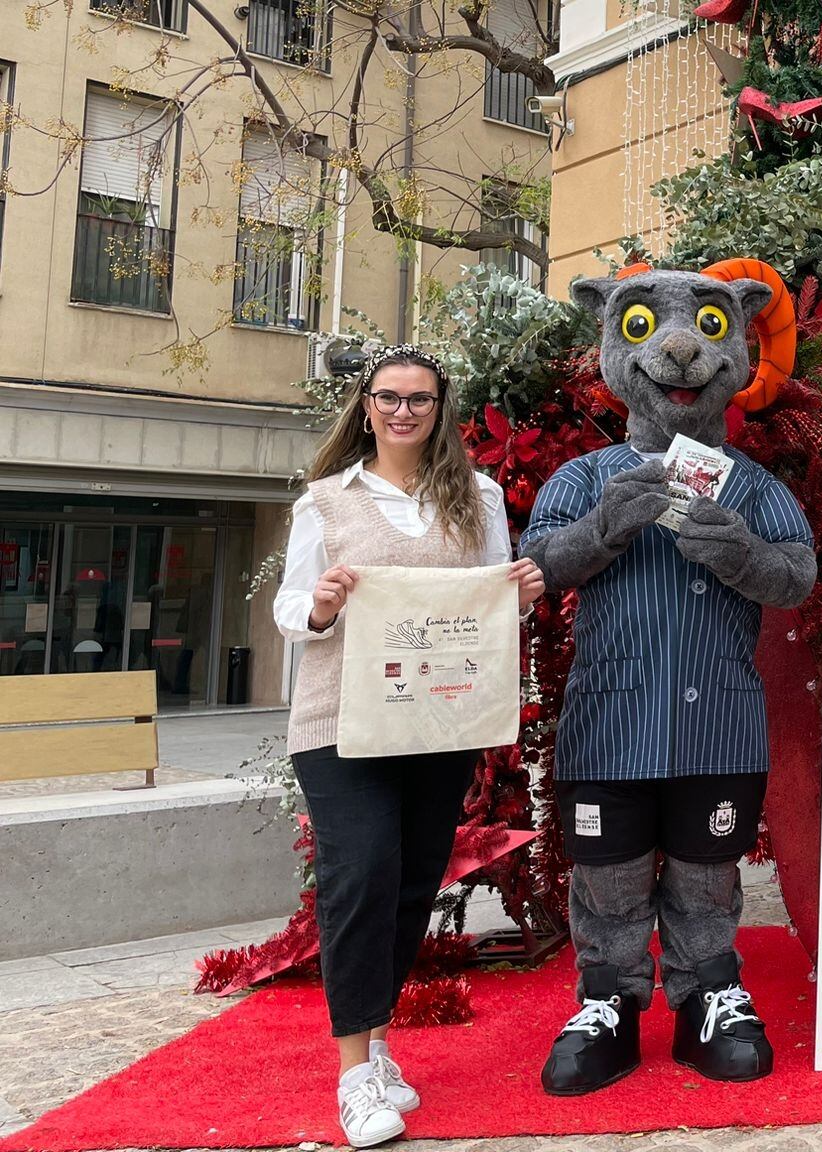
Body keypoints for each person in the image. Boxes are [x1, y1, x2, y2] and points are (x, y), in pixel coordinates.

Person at [522, 265, 815, 1095]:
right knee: (608, 876)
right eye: (646, 328)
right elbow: (536, 568)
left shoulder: (752, 486)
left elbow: (796, 576)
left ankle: (707, 995)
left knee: (706, 876)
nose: (683, 352)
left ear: (742, 346)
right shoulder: (583, 479)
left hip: (718, 726)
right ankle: (608, 1001)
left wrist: (743, 554)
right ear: (611, 344)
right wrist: (602, 529)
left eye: (711, 329)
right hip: (610, 727)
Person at [273, 345, 545, 1149]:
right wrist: (321, 604)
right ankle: (354, 1075)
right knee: (359, 875)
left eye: (418, 399)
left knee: (409, 882)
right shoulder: (325, 502)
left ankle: (380, 1041)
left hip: (436, 723)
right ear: (366, 407)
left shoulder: (478, 497)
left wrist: (521, 597)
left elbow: (489, 608)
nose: (403, 412)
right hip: (339, 723)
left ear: (439, 408)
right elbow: (289, 607)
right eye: (389, 398)